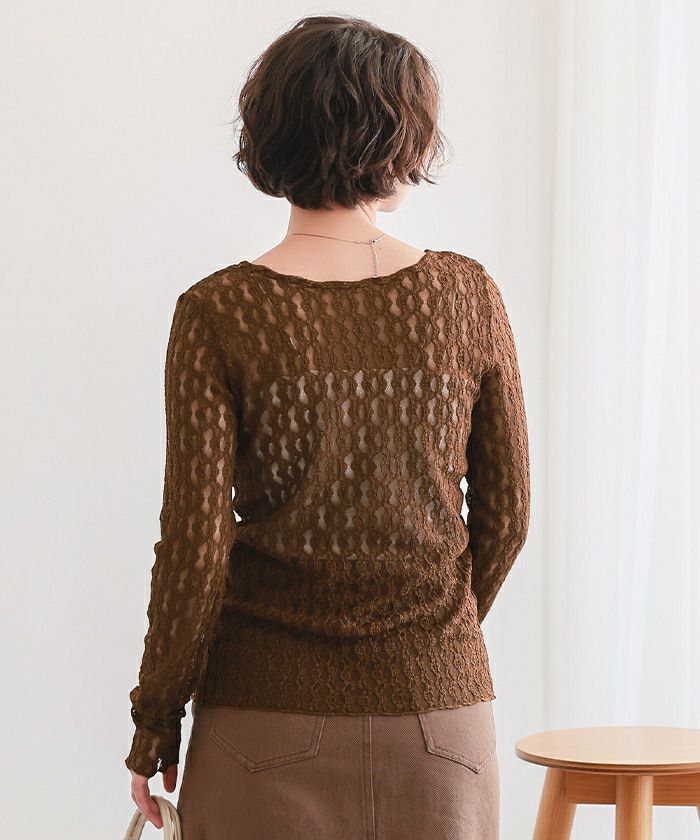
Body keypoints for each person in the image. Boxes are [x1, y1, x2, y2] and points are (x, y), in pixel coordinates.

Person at [125, 14, 530, 840]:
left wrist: (155, 721)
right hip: (441, 727)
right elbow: (508, 517)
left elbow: (196, 547)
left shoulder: (219, 312)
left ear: (271, 134)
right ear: (402, 137)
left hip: (261, 723)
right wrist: (433, 635)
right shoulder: (468, 297)